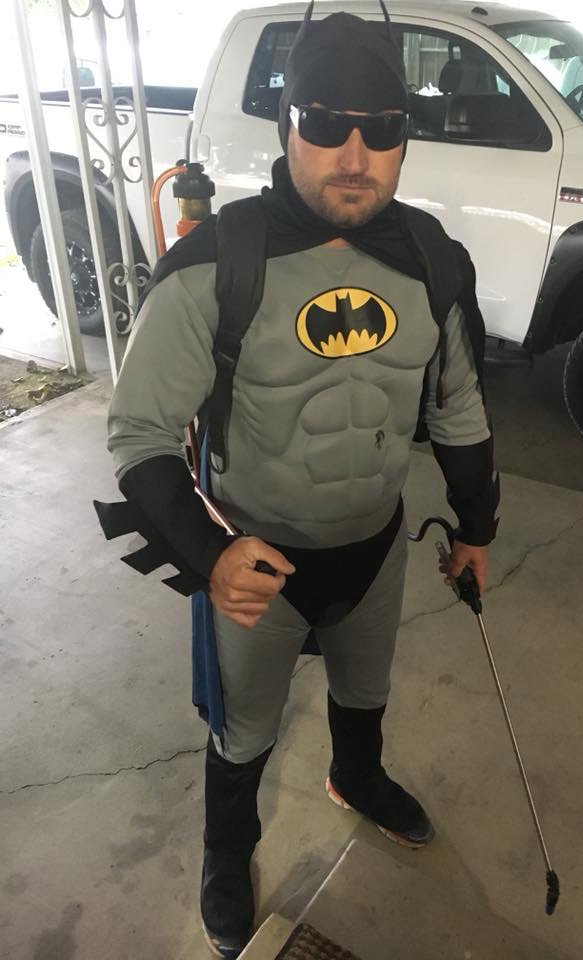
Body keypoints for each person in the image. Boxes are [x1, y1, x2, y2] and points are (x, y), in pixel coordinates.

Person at [105, 2, 499, 957]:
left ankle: (356, 778)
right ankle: (224, 848)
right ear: (287, 125)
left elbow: (457, 412)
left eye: (383, 130)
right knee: (243, 732)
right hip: (260, 562)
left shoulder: (435, 264)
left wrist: (477, 526)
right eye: (326, 122)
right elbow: (139, 433)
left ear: (406, 140)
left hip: (373, 545)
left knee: (368, 690)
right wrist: (208, 554)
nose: (353, 154)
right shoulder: (216, 264)